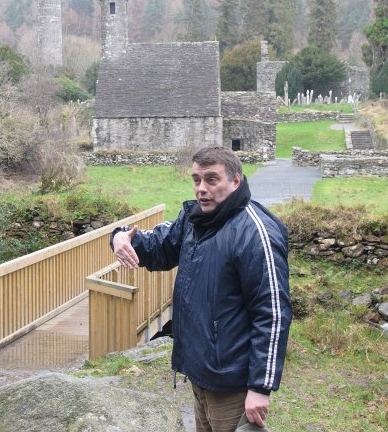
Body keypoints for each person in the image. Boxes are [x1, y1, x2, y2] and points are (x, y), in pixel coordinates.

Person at [112, 146, 291, 432]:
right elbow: (158, 246)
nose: (201, 189)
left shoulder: (256, 233)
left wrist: (260, 386)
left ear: (235, 181)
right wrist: (121, 238)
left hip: (233, 384)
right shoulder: (196, 220)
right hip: (201, 373)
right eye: (197, 180)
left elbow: (273, 314)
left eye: (211, 179)